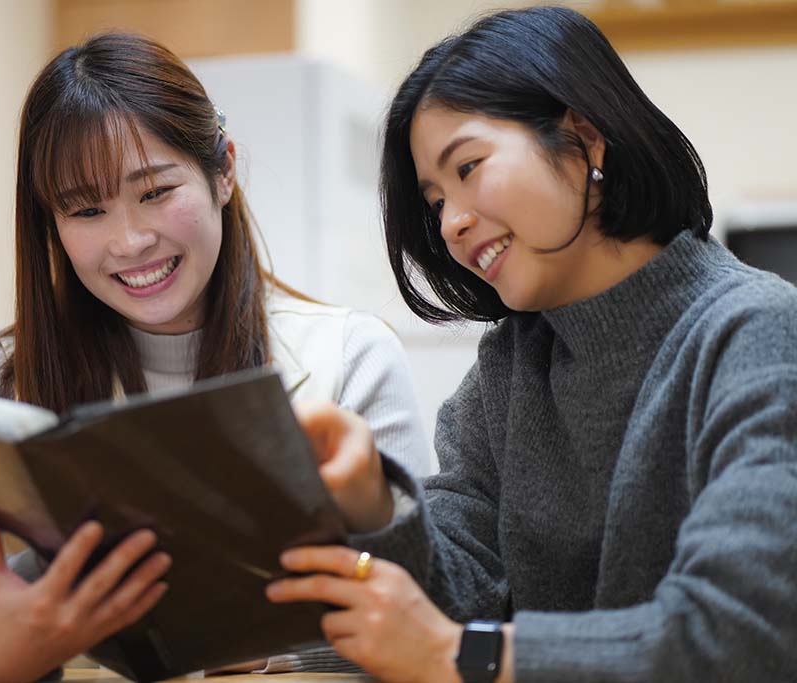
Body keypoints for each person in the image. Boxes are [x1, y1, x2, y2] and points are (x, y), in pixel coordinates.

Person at [266, 6, 797, 683]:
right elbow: (452, 600)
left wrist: (454, 654)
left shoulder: (757, 332)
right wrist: (375, 503)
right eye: (434, 201)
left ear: (584, 140)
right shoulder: (505, 372)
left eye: (469, 166)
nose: (452, 224)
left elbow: (742, 636)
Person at [0, 31, 432, 683]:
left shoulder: (353, 355)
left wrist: (270, 649)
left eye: (155, 191)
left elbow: (422, 602)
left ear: (222, 169)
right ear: (49, 223)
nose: (130, 240)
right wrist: (4, 653)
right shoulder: (3, 380)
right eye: (86, 209)